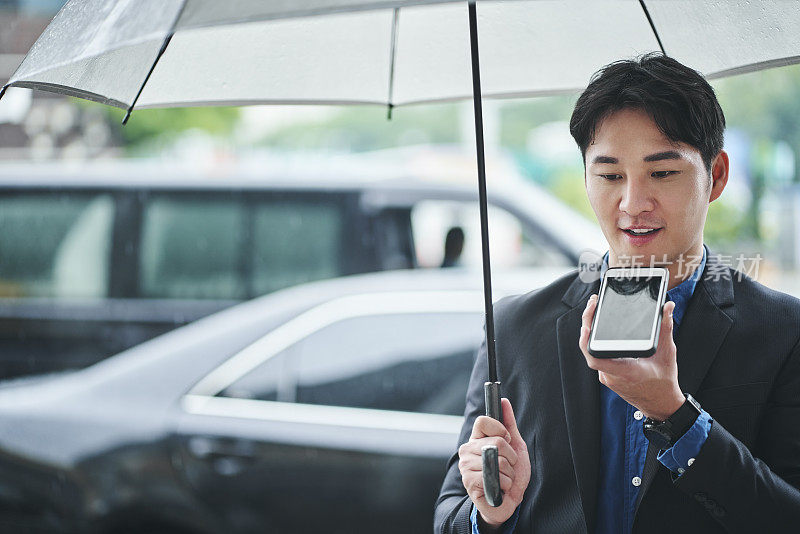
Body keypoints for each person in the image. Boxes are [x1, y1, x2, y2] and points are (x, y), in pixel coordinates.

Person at [434, 53, 800, 534]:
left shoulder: (783, 331)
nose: (632, 204)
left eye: (663, 173)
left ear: (717, 175)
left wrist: (676, 416)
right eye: (609, 175)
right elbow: (451, 518)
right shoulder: (516, 327)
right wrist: (493, 512)